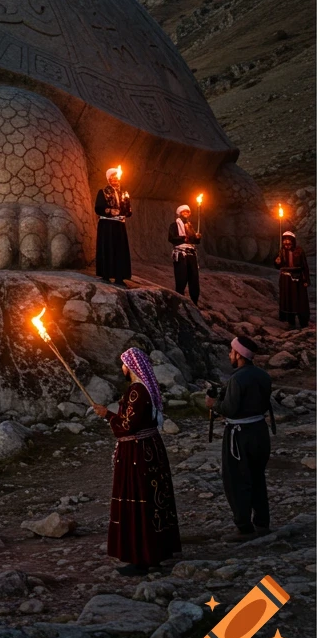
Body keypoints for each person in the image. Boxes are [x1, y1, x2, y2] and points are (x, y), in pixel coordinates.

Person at [92, 347, 181, 575]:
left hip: (137, 453)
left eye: (123, 363)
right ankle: (157, 550)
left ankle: (142, 557)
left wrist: (107, 415)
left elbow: (127, 426)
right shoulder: (145, 390)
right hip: (150, 449)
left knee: (139, 498)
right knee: (153, 499)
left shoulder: (135, 391)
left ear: (130, 367)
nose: (121, 368)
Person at [205, 335, 272, 541]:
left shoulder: (237, 378)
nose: (229, 355)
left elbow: (230, 410)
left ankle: (244, 528)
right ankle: (262, 523)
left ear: (239, 354)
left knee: (236, 480)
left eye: (231, 351)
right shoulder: (263, 375)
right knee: (257, 476)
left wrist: (212, 404)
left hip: (239, 435)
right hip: (260, 431)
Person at [94, 168, 132, 286]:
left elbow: (128, 210)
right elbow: (98, 208)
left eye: (116, 177)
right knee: (108, 248)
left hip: (119, 226)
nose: (115, 179)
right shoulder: (103, 192)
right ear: (109, 179)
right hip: (107, 226)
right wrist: (110, 211)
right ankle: (106, 275)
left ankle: (119, 277)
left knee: (120, 250)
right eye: (113, 177)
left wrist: (126, 211)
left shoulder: (124, 193)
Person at [275, 230, 310, 328]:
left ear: (292, 241)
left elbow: (304, 266)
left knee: (299, 300)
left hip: (298, 280)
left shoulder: (299, 251)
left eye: (288, 240)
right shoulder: (281, 251)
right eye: (284, 240)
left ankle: (303, 323)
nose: (286, 243)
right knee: (288, 300)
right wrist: (277, 262)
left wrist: (306, 280)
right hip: (286, 281)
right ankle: (290, 322)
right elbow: (279, 266)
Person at [168, 204, 201, 304]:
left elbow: (194, 241)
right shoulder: (174, 225)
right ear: (180, 213)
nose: (186, 213)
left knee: (194, 277)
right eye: (184, 212)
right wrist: (183, 238)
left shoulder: (189, 226)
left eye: (187, 212)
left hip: (191, 254)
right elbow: (171, 238)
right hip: (181, 254)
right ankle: (179, 299)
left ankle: (194, 301)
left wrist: (197, 238)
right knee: (181, 277)